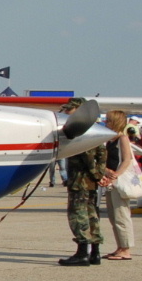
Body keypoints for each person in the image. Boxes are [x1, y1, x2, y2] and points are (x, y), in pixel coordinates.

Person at [58, 100, 106, 266]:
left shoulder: (83, 130)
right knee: (92, 214)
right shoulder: (94, 128)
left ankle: (82, 253)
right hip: (90, 180)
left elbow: (89, 157)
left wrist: (94, 174)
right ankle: (95, 253)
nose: (66, 113)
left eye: (70, 110)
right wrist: (97, 176)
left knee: (78, 215)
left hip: (81, 179)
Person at [100, 110, 137, 261]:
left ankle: (126, 249)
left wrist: (115, 175)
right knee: (113, 215)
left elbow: (126, 159)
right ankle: (120, 246)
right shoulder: (110, 139)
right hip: (111, 181)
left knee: (121, 215)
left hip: (118, 181)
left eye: (108, 120)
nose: (105, 122)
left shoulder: (122, 138)